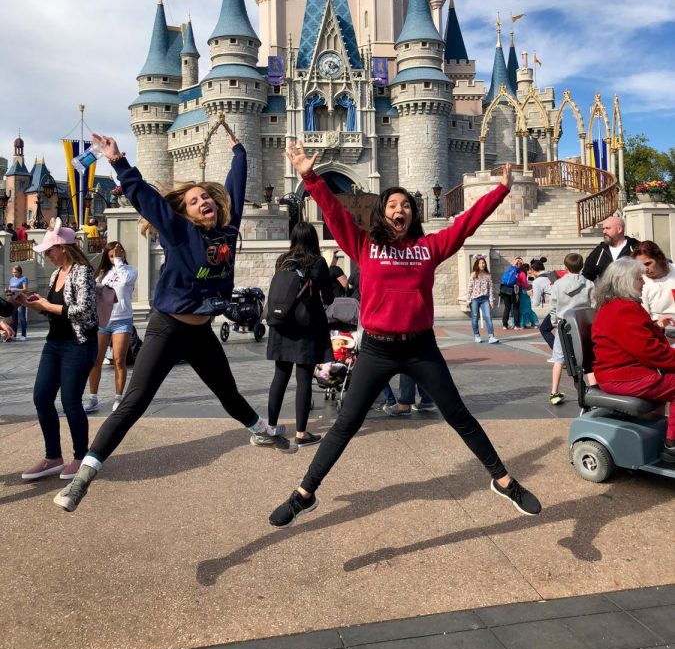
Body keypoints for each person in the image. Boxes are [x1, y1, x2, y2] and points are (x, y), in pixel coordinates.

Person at [268, 143, 541, 527]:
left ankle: (504, 481)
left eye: (406, 206)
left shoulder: (429, 248)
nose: (400, 210)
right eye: (393, 205)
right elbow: (333, 211)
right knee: (346, 424)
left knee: (459, 415)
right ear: (383, 213)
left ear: (413, 216)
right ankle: (304, 494)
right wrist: (309, 177)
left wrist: (500, 190)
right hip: (377, 349)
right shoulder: (364, 245)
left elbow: (466, 224)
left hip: (420, 348)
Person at [53, 130, 297, 514]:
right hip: (168, 328)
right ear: (185, 212)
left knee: (229, 393)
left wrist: (238, 149)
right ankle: (84, 476)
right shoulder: (179, 231)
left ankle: (261, 432)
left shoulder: (228, 232)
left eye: (206, 198)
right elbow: (147, 200)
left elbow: (236, 181)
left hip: (200, 333)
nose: (203, 202)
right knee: (134, 402)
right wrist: (117, 160)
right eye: (194, 200)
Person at [15, 221, 98, 481]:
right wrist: (28, 302)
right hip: (54, 343)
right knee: (41, 397)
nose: (47, 255)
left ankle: (81, 456)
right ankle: (53, 457)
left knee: (70, 401)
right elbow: (52, 307)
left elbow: (83, 310)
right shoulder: (54, 275)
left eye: (50, 250)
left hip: (79, 342)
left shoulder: (82, 271)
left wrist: (47, 306)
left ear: (63, 247)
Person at [591, 257, 675, 464]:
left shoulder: (619, 306)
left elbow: (641, 338)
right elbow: (649, 351)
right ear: (626, 282)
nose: (644, 282)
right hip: (625, 376)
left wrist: (657, 327)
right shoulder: (623, 309)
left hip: (625, 372)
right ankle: (671, 446)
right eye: (639, 278)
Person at [265, 221, 333, 447]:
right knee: (303, 379)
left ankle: (271, 427)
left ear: (293, 238)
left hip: (281, 325)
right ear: (313, 239)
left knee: (280, 377)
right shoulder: (318, 262)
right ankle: (302, 433)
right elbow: (329, 298)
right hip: (306, 329)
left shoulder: (282, 261)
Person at [83, 241, 138, 414]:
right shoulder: (101, 274)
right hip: (103, 321)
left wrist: (119, 261)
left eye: (119, 251)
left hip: (122, 320)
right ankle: (92, 398)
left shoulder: (130, 271)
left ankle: (118, 398)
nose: (115, 254)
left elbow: (124, 280)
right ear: (106, 254)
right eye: (112, 252)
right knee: (96, 360)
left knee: (119, 360)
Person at [548, 253, 594, 405]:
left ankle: (554, 392)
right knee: (588, 360)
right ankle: (594, 390)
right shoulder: (589, 284)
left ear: (565, 267)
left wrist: (555, 322)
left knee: (558, 359)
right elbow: (594, 305)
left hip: (564, 325)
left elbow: (553, 306)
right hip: (583, 325)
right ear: (581, 267)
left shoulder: (558, 285)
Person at [582, 216, 639, 282]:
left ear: (619, 229)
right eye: (603, 229)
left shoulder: (635, 248)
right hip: (605, 292)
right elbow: (586, 277)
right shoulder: (599, 251)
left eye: (607, 228)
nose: (604, 231)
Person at [633, 240, 675, 322]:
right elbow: (644, 317)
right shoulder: (640, 282)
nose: (645, 269)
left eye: (648, 264)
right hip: (658, 327)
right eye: (640, 266)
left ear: (659, 258)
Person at [466, 255, 499, 344]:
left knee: (488, 317)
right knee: (475, 317)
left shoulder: (488, 275)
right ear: (477, 264)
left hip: (485, 299)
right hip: (475, 299)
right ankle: (477, 335)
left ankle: (491, 336)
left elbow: (490, 289)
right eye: (480, 263)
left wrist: (491, 300)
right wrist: (468, 299)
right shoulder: (473, 274)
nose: (482, 264)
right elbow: (470, 288)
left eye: (483, 263)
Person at [500, 257, 523, 330]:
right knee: (516, 308)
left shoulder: (509, 269)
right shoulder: (519, 271)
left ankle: (504, 325)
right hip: (514, 290)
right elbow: (521, 282)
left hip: (504, 290)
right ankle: (516, 325)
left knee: (507, 308)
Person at [8, 265, 28, 340]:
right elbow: (10, 288)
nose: (14, 274)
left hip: (20, 300)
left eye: (15, 272)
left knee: (22, 317)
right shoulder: (11, 279)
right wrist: (8, 291)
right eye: (13, 272)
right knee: (14, 319)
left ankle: (23, 335)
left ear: (19, 272)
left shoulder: (24, 278)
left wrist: (16, 289)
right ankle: (14, 335)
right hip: (13, 300)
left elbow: (25, 289)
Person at [517, 263, 539, 328]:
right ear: (526, 268)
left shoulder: (519, 273)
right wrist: (529, 286)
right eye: (528, 268)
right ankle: (532, 323)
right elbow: (524, 284)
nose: (529, 270)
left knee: (522, 308)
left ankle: (522, 323)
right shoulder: (523, 274)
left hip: (520, 292)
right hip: (524, 292)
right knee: (527, 308)